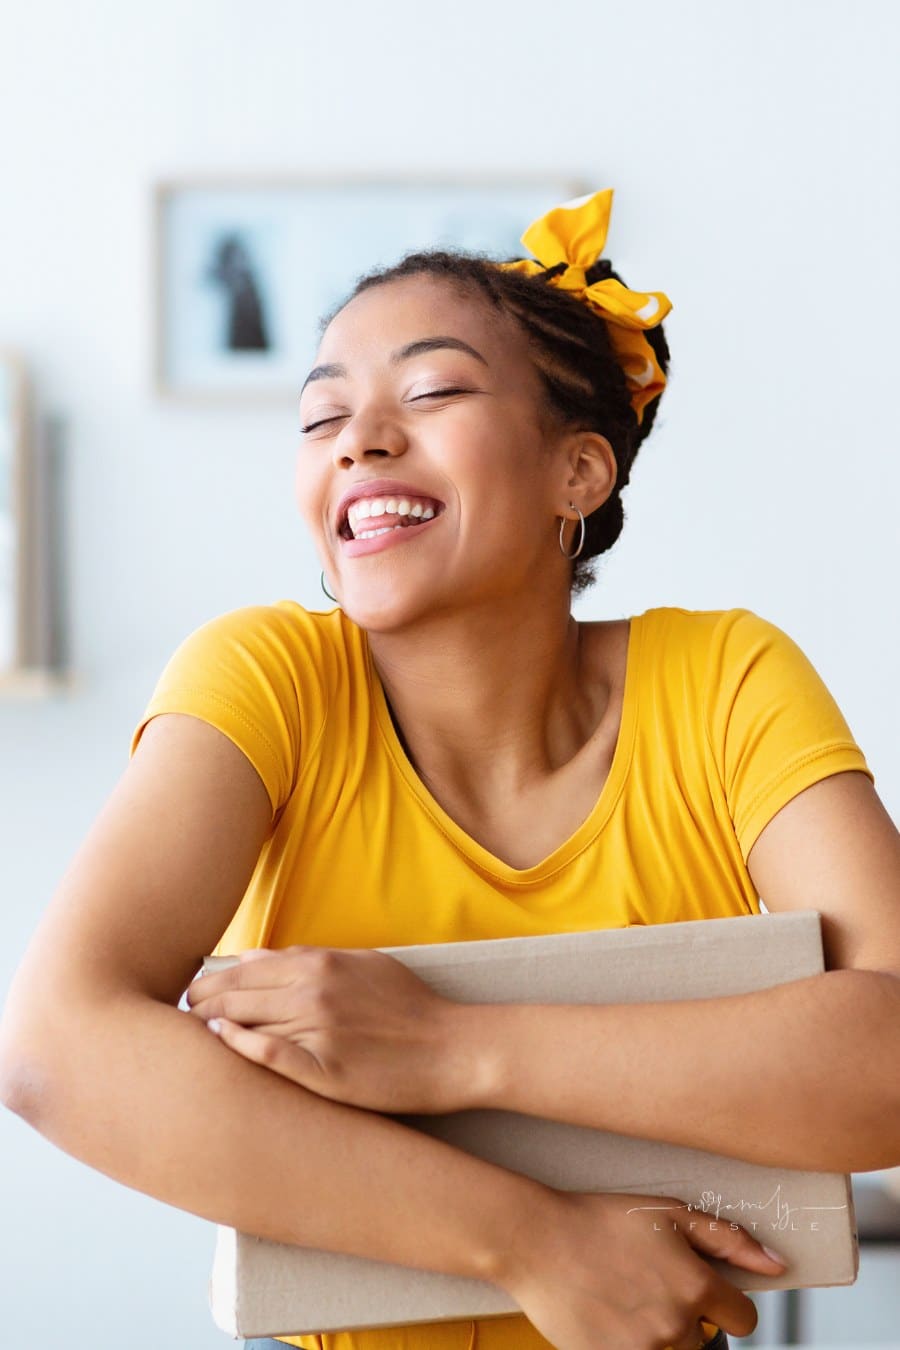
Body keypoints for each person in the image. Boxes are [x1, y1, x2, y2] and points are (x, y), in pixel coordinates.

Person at [2, 189, 899, 1350]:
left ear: (578, 475)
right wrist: (537, 1242)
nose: (360, 441)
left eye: (430, 393)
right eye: (322, 419)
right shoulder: (265, 677)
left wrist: (446, 1046)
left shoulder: (729, 677)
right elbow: (56, 1046)